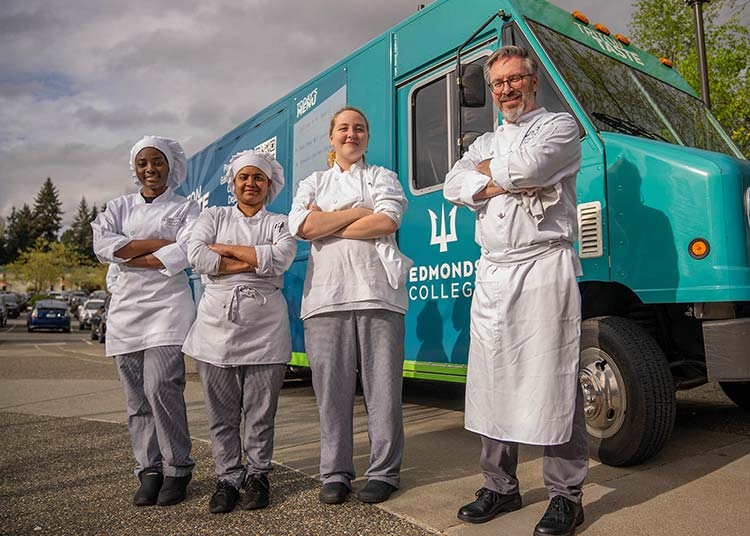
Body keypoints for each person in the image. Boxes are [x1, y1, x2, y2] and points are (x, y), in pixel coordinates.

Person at [444, 46, 588, 536]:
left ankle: (566, 495)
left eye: (514, 79)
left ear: (533, 80)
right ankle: (499, 486)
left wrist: (486, 174)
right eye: (498, 82)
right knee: (491, 382)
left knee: (554, 379)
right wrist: (495, 174)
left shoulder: (562, 126)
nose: (506, 89)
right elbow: (451, 184)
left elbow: (530, 169)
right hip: (493, 274)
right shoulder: (483, 139)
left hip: (543, 267)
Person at [288, 106, 409, 505]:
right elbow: (302, 227)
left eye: (359, 128)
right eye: (343, 128)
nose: (351, 135)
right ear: (331, 137)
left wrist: (332, 221)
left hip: (378, 294)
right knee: (331, 393)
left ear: (367, 137)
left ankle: (384, 472)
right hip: (324, 299)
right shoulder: (313, 181)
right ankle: (335, 472)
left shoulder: (382, 177)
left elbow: (387, 221)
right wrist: (360, 212)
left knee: (383, 392)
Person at [182, 150, 296, 514]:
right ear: (233, 184)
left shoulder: (280, 222)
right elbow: (196, 254)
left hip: (266, 328)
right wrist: (254, 259)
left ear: (269, 184)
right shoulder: (212, 215)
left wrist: (225, 251)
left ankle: (258, 475)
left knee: (261, 411)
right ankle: (228, 477)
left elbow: (281, 259)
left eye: (258, 178)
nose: (251, 183)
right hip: (215, 327)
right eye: (244, 177)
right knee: (221, 413)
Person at [91, 135, 199, 507]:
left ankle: (177, 468)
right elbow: (104, 246)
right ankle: (148, 469)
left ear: (171, 166)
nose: (150, 169)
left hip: (168, 309)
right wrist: (157, 244)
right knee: (136, 398)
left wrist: (130, 251)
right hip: (126, 313)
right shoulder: (118, 207)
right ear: (135, 169)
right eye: (143, 163)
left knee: (162, 388)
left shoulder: (187, 209)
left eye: (157, 162)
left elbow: (186, 250)